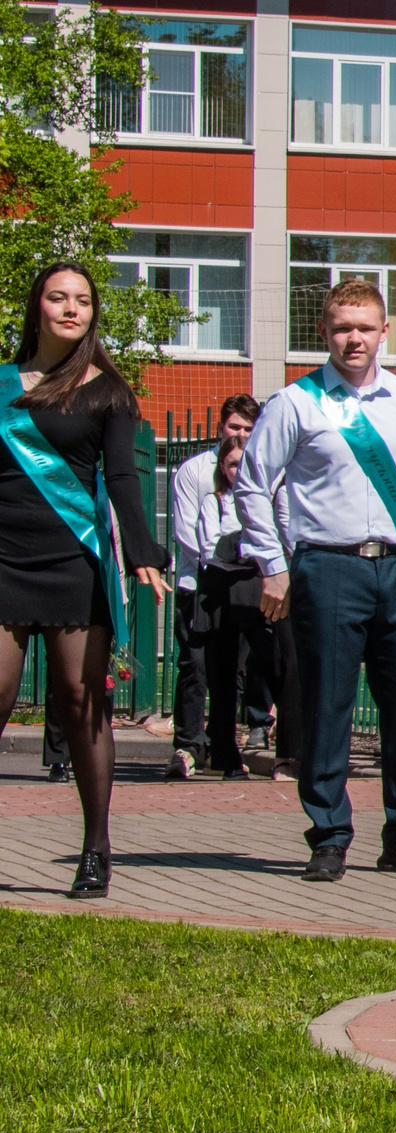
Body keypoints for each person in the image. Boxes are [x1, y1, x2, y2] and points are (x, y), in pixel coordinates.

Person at [238, 278, 396, 883]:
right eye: (341, 328)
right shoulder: (296, 403)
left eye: (364, 327)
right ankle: (329, 835)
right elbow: (254, 484)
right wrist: (272, 563)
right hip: (327, 566)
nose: (353, 338)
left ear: (385, 332)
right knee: (328, 702)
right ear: (323, 333)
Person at [0, 265, 170, 897]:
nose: (70, 308)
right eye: (57, 297)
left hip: (73, 561)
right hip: (4, 557)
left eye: (82, 300)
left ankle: (96, 847)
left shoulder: (108, 392)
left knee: (80, 703)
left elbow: (123, 478)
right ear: (36, 305)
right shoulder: (1, 385)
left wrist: (143, 552)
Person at [164, 395, 260, 780]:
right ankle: (187, 746)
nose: (240, 434)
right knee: (194, 666)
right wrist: (227, 556)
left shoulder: (261, 471)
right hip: (198, 583)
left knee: (232, 670)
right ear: (221, 426)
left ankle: (222, 744)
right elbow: (188, 533)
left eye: (248, 429)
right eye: (234, 426)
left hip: (243, 587)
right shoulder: (195, 470)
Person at [193, 423, 278, 780]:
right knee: (223, 675)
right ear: (222, 469)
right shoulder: (214, 501)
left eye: (244, 464)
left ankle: (282, 743)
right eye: (231, 465)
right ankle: (226, 755)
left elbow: (273, 543)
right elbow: (211, 547)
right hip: (220, 596)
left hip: (258, 596)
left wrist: (245, 549)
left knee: (272, 667)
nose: (237, 471)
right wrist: (247, 548)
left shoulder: (267, 501)